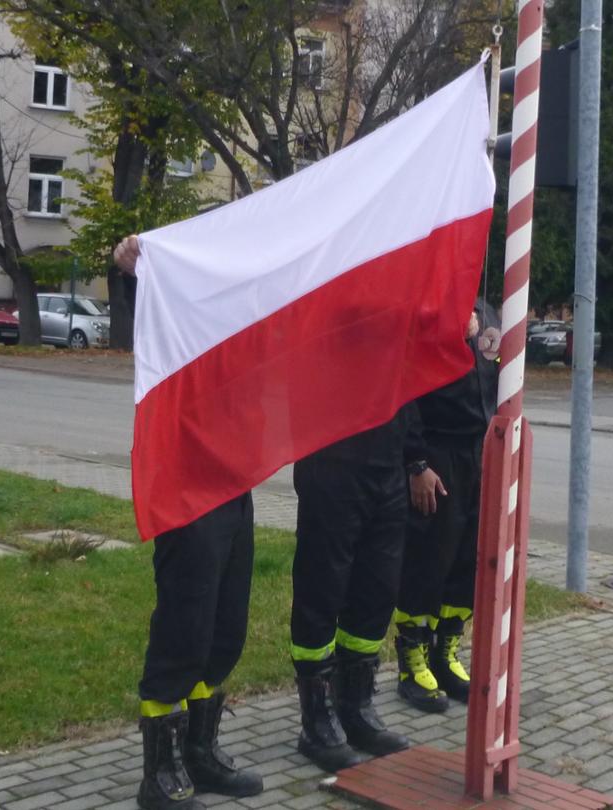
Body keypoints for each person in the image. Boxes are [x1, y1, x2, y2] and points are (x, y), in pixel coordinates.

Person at [116, 235, 263, 810]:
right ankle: (159, 773)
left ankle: (199, 750)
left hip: (234, 486)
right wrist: (132, 268)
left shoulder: (243, 314)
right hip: (186, 490)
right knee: (185, 626)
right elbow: (144, 306)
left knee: (225, 628)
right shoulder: (175, 310)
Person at [289, 405, 419, 772]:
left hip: (388, 465)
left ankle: (355, 707)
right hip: (332, 462)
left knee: (376, 592)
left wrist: (415, 458)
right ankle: (316, 720)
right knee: (321, 591)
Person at [394, 301, 500, 713]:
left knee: (465, 562)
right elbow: (407, 388)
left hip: (480, 450)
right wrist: (416, 462)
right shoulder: (428, 307)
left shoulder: (488, 311)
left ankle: (446, 651)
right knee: (428, 559)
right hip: (438, 453)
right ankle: (412, 661)